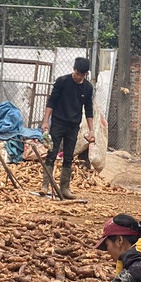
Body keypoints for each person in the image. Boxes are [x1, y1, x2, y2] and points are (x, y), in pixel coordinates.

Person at [41, 57, 96, 200]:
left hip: (73, 126)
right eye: (78, 73)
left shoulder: (88, 88)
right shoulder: (62, 81)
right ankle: (45, 185)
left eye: (82, 75)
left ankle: (64, 188)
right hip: (58, 123)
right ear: (74, 70)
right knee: (52, 153)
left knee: (69, 156)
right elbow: (51, 101)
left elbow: (89, 110)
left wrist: (91, 130)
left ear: (86, 74)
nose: (79, 77)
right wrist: (46, 121)